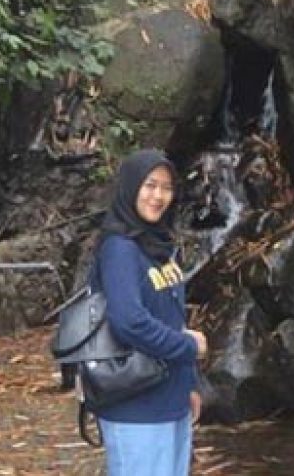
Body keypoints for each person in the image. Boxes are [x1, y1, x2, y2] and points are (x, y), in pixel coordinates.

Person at [91, 148, 207, 476]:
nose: (158, 196)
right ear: (130, 187)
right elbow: (129, 322)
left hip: (170, 399)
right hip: (135, 403)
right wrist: (189, 348)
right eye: (150, 185)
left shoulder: (158, 246)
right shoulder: (120, 248)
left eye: (167, 187)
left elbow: (173, 318)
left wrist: (190, 383)